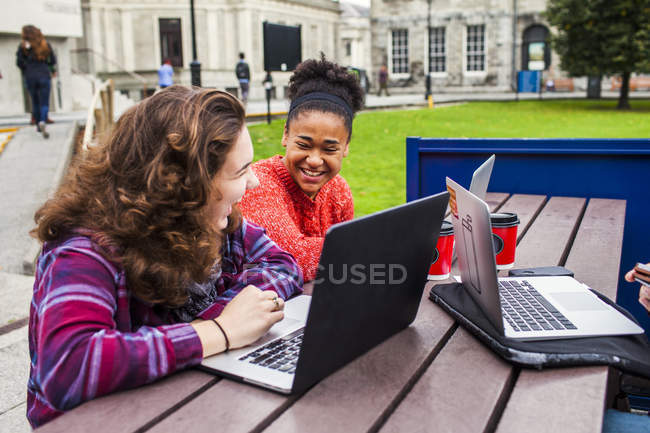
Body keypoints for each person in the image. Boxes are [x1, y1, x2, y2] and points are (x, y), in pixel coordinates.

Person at [26, 86, 303, 428]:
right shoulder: (84, 251)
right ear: (184, 184)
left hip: (185, 404)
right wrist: (219, 331)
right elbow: (69, 366)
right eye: (239, 171)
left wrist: (225, 313)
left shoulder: (213, 221)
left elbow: (281, 263)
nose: (255, 181)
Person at [239, 55, 364, 282]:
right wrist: (368, 246)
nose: (315, 160)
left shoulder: (340, 192)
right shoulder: (257, 184)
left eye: (329, 149)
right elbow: (292, 258)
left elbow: (345, 264)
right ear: (286, 134)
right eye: (304, 145)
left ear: (346, 147)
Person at [16, 25, 57, 139]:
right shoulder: (45, 45)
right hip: (44, 74)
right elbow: (52, 60)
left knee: (35, 101)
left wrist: (27, 68)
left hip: (30, 76)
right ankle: (43, 121)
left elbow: (19, 62)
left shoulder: (23, 46)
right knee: (44, 102)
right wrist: (51, 70)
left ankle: (38, 125)